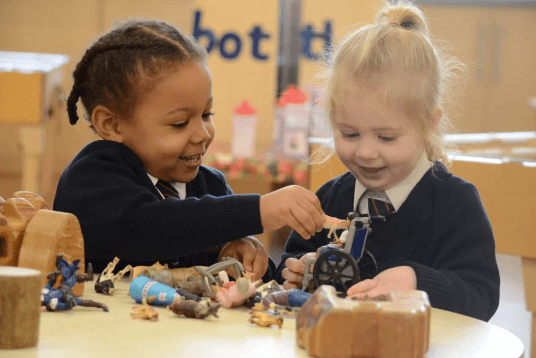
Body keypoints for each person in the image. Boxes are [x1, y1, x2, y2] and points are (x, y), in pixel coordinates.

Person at [274, 0, 500, 321]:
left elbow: (481, 296)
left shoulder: (454, 203)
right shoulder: (330, 197)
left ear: (428, 125)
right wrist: (298, 269)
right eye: (350, 134)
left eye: (386, 138)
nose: (366, 152)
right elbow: (289, 261)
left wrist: (418, 282)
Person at [53, 19, 325, 283]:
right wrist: (258, 210)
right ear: (111, 124)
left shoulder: (211, 186)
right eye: (179, 123)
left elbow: (235, 267)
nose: (203, 134)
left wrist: (247, 258)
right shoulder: (91, 179)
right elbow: (152, 227)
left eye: (207, 114)